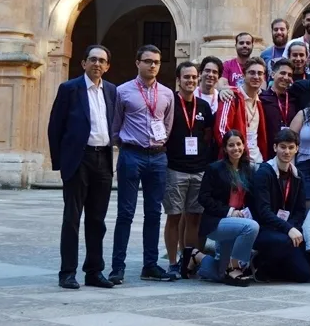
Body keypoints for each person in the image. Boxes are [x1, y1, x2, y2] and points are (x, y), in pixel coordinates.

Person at [49, 45, 118, 290]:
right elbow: (55, 127)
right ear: (83, 63)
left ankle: (94, 271)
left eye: (102, 60)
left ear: (107, 66)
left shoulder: (111, 91)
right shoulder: (69, 89)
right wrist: (61, 164)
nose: (97, 64)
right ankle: (67, 272)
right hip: (79, 161)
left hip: (103, 161)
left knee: (97, 220)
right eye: (93, 60)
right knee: (72, 219)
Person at [110, 44, 176, 283]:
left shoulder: (167, 93)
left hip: (158, 156)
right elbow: (115, 125)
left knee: (153, 213)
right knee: (125, 213)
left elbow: (167, 125)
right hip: (131, 155)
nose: (152, 65)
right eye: (147, 61)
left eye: (156, 62)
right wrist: (126, 146)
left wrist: (158, 144)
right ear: (137, 63)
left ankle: (150, 265)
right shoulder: (122, 91)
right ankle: (118, 266)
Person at [163, 62, 216, 278]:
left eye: (194, 77)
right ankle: (173, 261)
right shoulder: (170, 103)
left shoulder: (203, 106)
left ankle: (189, 260)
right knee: (174, 216)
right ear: (178, 79)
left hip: (199, 170)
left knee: (194, 217)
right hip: (175, 169)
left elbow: (208, 136)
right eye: (187, 77)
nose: (191, 81)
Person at [188, 130, 258, 286]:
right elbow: (203, 198)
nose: (236, 148)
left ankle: (197, 256)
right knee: (251, 227)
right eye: (231, 145)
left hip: (240, 221)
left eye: (239, 144)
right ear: (225, 149)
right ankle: (235, 268)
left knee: (221, 275)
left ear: (244, 146)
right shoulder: (214, 169)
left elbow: (252, 199)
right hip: (217, 222)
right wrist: (230, 211)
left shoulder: (249, 169)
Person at [250, 128, 310, 283]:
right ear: (275, 148)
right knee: (284, 241)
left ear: (297, 149)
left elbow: (299, 211)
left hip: (285, 231)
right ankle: (260, 262)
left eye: (291, 147)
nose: (287, 151)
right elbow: (263, 212)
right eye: (283, 147)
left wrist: (292, 228)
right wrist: (288, 229)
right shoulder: (264, 173)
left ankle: (272, 266)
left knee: (305, 274)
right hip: (263, 229)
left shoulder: (298, 176)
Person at [215, 57, 269, 165]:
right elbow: (221, 131)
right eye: (252, 73)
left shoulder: (260, 101)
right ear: (243, 75)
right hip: (238, 163)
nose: (256, 76)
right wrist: (237, 157)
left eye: (260, 73)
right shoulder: (231, 97)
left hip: (258, 161)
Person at [259, 59, 296, 155]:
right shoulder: (261, 98)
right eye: (282, 73)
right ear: (272, 74)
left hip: (288, 153)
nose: (286, 77)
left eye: (289, 75)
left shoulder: (294, 100)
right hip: (266, 152)